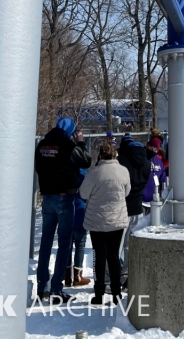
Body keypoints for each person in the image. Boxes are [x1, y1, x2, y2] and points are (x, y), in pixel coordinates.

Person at [34, 117, 92, 302]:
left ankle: (42, 286)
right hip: (64, 197)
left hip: (47, 197)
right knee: (65, 243)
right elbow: (86, 161)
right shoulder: (67, 145)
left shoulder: (42, 144)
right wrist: (80, 143)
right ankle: (57, 289)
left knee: (46, 242)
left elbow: (38, 167)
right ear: (70, 130)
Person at [79, 141, 131, 305]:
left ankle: (99, 293)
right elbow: (127, 192)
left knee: (100, 256)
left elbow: (83, 193)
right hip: (117, 220)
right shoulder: (123, 171)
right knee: (114, 256)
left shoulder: (94, 173)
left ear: (100, 155)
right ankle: (116, 293)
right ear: (114, 154)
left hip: (97, 221)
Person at [117, 132, 151, 278]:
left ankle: (114, 273)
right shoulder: (147, 162)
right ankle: (127, 274)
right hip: (138, 206)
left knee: (117, 245)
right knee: (130, 244)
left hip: (122, 207)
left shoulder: (121, 162)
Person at [66, 130, 92, 287]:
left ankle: (66, 276)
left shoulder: (66, 171)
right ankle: (77, 276)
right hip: (81, 212)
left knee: (67, 245)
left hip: (68, 210)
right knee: (80, 245)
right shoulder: (84, 173)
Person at [142, 138, 167, 204]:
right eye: (151, 148)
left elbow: (163, 179)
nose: (153, 150)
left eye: (155, 149)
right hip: (142, 199)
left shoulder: (159, 162)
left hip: (155, 200)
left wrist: (163, 193)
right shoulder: (141, 159)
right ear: (148, 146)